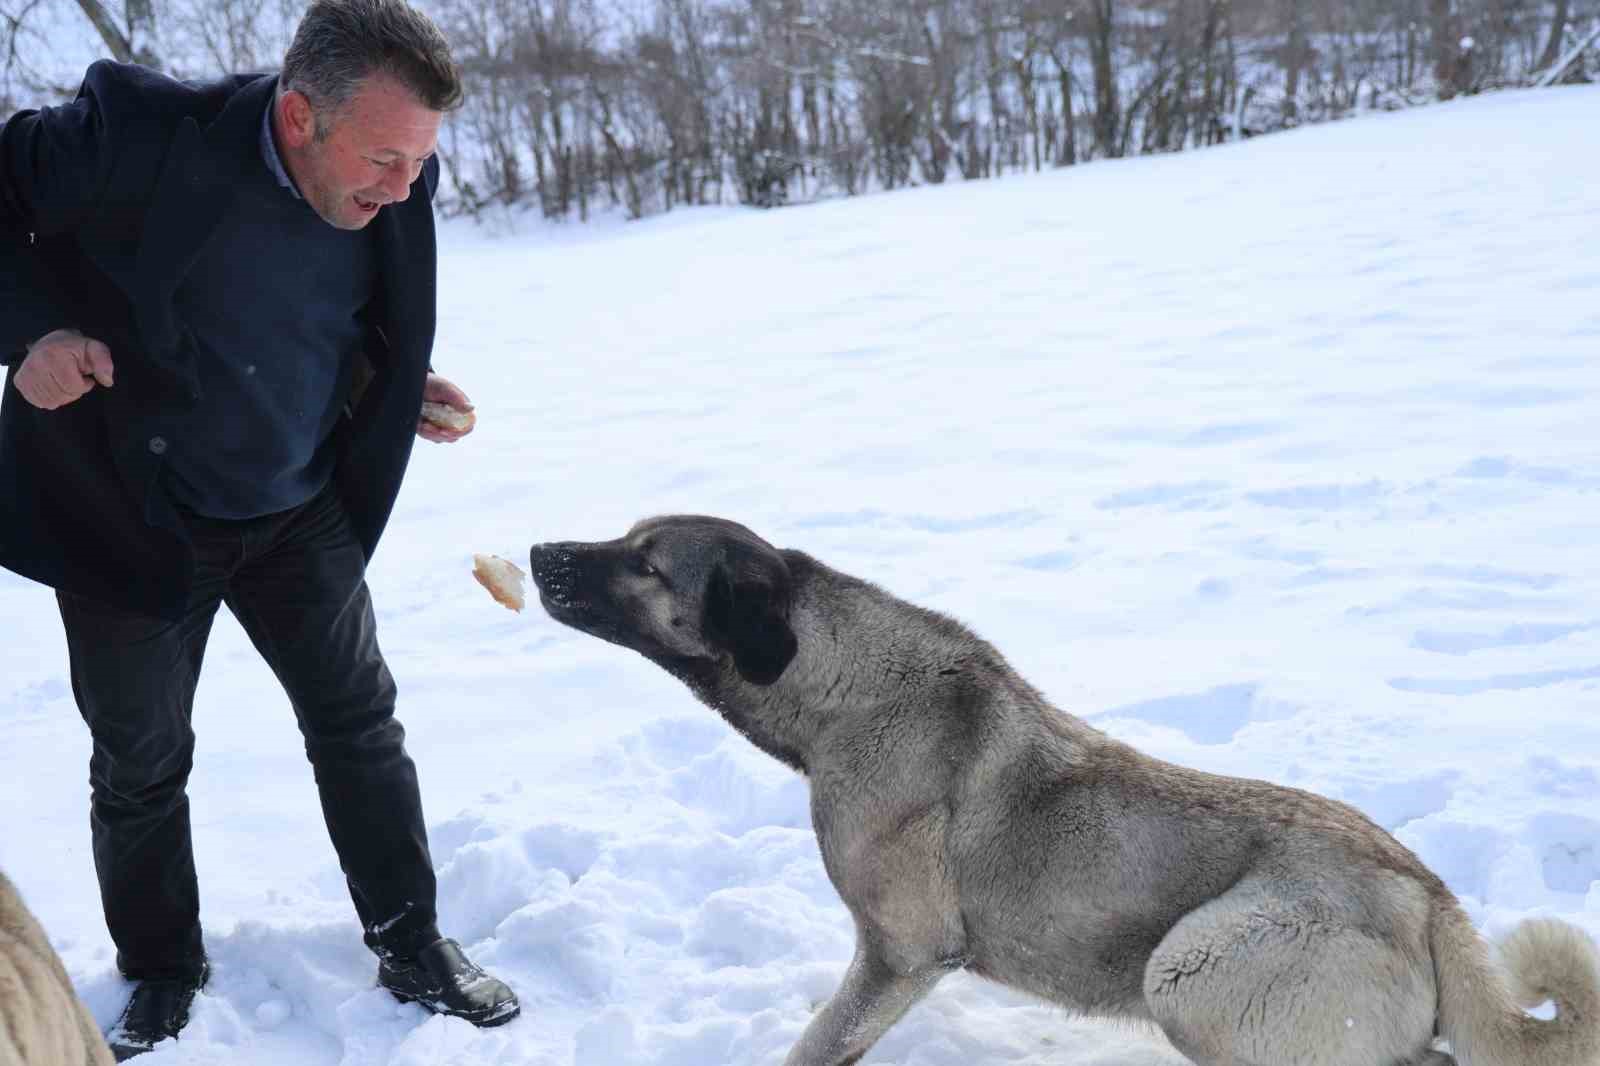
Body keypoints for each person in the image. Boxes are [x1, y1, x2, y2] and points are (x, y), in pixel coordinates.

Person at [0, 0, 519, 1057]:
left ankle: (410, 937)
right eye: (383, 160)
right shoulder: (132, 134)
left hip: (296, 507)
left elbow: (326, 316)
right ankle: (159, 969)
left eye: (418, 164)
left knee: (359, 727)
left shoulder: (389, 166)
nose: (404, 188)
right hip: (130, 516)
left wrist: (390, 382)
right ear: (296, 119)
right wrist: (28, 336)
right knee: (139, 764)